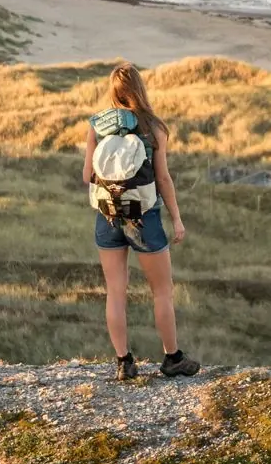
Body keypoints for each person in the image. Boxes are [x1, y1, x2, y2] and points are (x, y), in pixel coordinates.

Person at [83, 63, 199, 380]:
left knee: (115, 291)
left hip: (107, 216)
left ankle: (124, 362)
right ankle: (172, 358)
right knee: (162, 291)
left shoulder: (97, 124)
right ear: (139, 89)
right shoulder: (153, 127)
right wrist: (176, 219)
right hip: (144, 217)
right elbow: (162, 178)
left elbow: (86, 175)